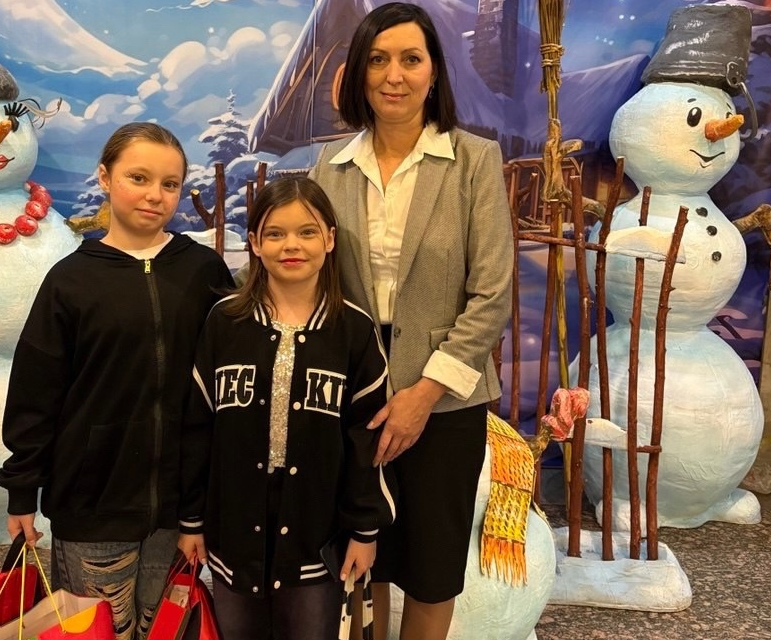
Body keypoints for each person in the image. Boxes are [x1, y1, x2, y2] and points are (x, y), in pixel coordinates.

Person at [308, 3, 514, 639]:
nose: (393, 75)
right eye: (378, 59)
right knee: (357, 556)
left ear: (434, 72)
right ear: (359, 73)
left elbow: (492, 294)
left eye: (410, 59)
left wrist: (424, 394)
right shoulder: (330, 166)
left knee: (431, 566)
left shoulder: (474, 160)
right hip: (352, 390)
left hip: (445, 397)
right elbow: (310, 275)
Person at [0, 122, 234, 640]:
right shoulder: (70, 280)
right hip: (92, 506)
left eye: (170, 184)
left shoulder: (204, 271)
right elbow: (36, 393)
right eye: (138, 178)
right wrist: (22, 490)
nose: (155, 195)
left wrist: (206, 502)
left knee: (164, 630)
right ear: (105, 177)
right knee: (97, 630)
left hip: (178, 509)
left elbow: (228, 385)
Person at [176, 176, 396, 640]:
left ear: (330, 239)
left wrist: (365, 530)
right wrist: (191, 520)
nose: (291, 245)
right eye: (275, 233)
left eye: (307, 232)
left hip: (317, 533)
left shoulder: (354, 331)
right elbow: (197, 428)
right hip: (234, 527)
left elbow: (368, 441)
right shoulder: (225, 322)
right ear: (255, 243)